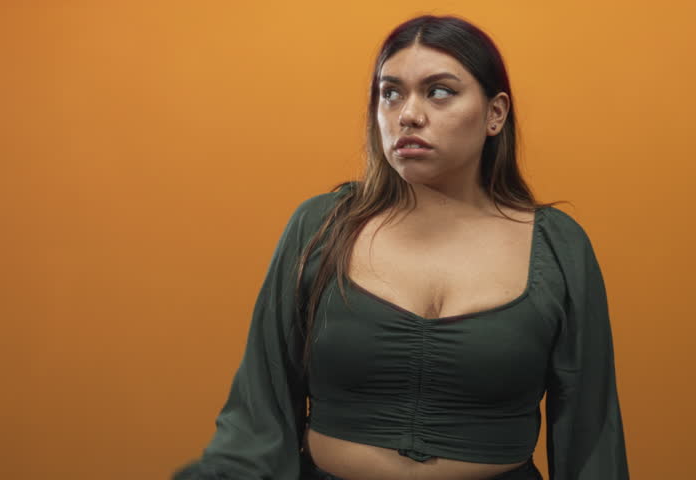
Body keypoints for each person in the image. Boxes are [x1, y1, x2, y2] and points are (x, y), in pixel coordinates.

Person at [172, 14, 630, 480]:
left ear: (496, 113)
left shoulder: (557, 246)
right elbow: (259, 410)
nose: (407, 113)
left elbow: (590, 436)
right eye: (390, 93)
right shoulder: (320, 226)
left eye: (439, 91)